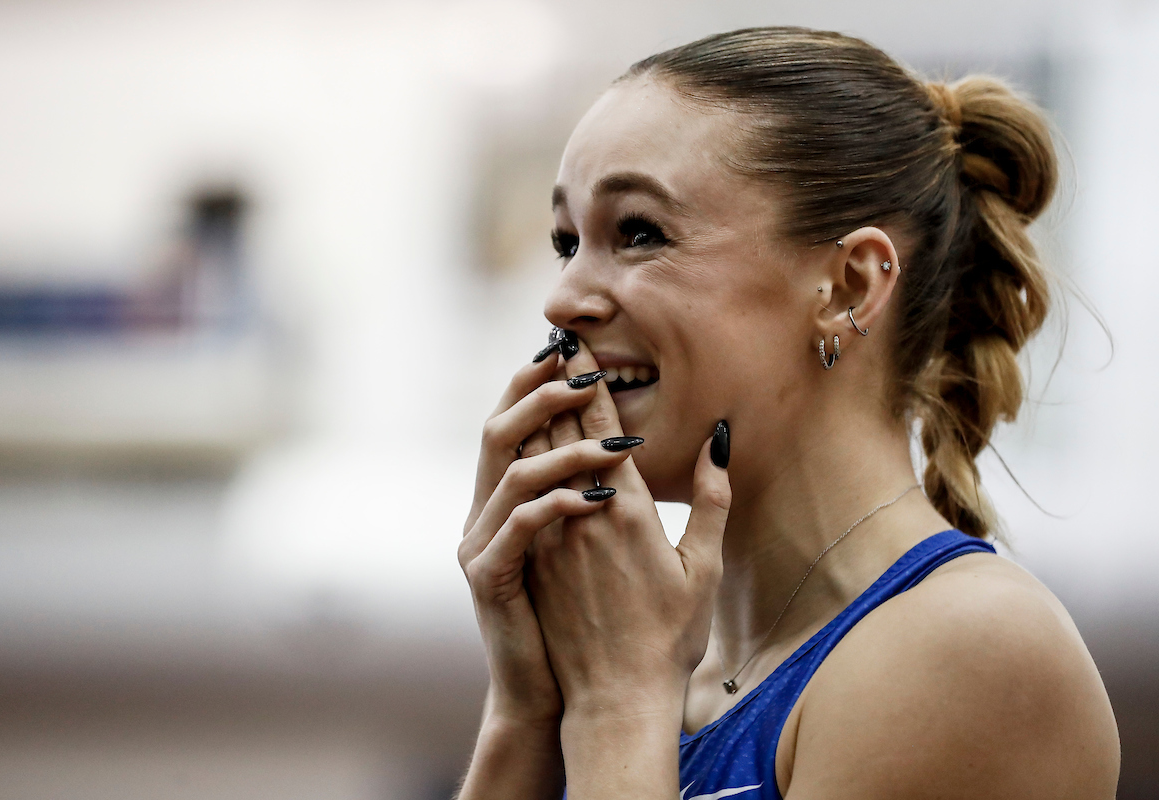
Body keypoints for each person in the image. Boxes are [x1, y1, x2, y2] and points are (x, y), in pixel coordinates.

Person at [456, 27, 1120, 800]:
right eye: (566, 242)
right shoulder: (644, 659)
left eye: (638, 232)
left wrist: (614, 709)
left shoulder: (973, 650)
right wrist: (524, 712)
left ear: (848, 287)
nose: (562, 299)